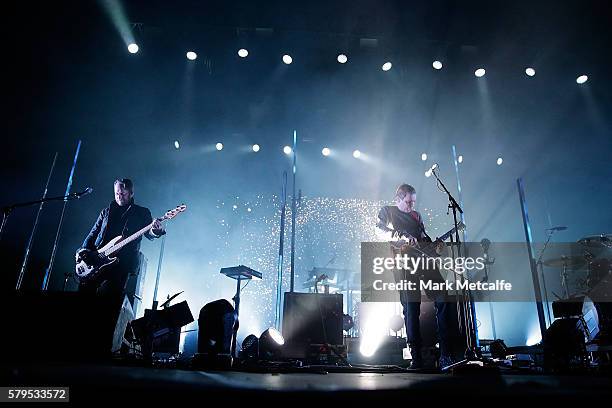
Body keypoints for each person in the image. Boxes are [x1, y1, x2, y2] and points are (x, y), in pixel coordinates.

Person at [376, 183, 453, 369]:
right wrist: (400, 235)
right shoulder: (388, 211)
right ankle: (416, 357)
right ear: (398, 199)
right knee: (412, 308)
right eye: (408, 202)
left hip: (423, 261)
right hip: (403, 264)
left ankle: (445, 354)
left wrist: (435, 247)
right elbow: (378, 230)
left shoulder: (416, 216)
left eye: (413, 202)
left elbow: (423, 240)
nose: (411, 206)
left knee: (443, 297)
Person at [76, 178, 165, 306]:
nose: (119, 196)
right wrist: (83, 252)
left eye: (123, 194)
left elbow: (149, 234)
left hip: (121, 265)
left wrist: (156, 230)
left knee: (110, 302)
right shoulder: (106, 212)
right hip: (97, 260)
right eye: (117, 193)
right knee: (83, 296)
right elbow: (92, 234)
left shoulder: (141, 212)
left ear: (131, 193)